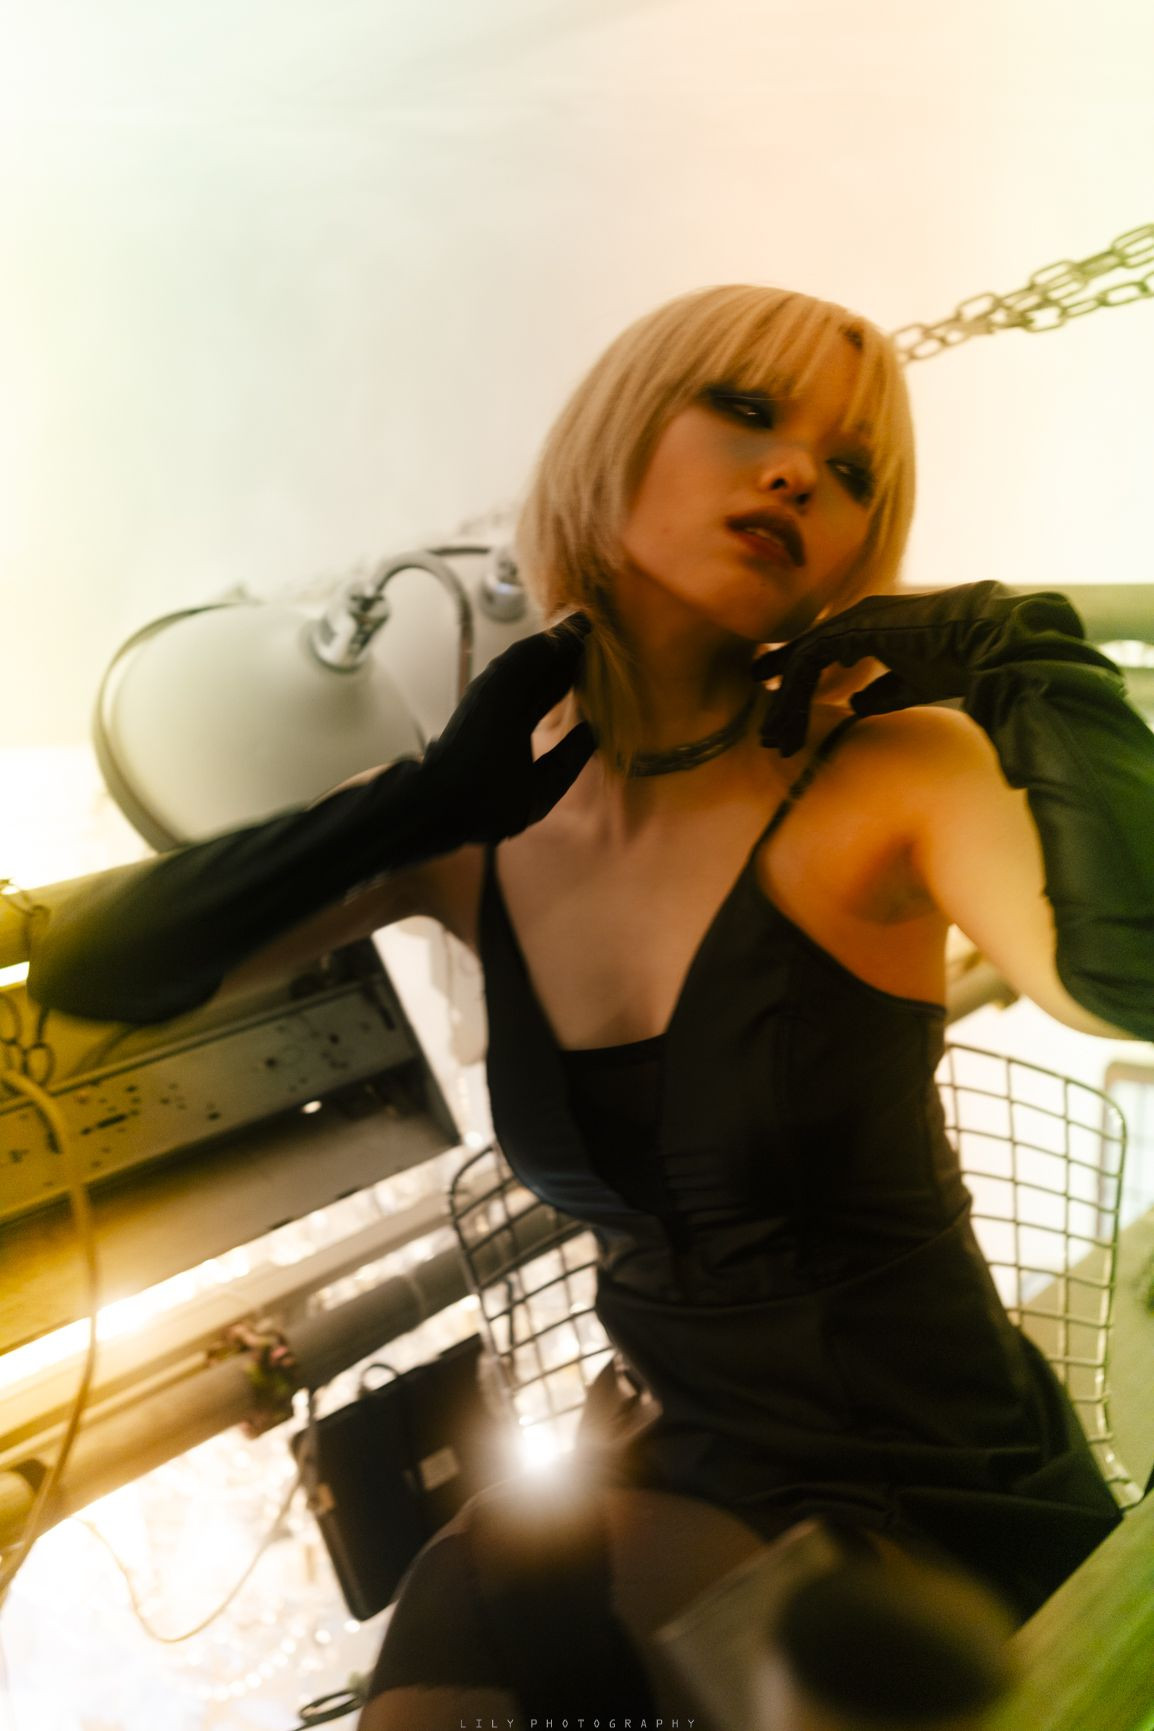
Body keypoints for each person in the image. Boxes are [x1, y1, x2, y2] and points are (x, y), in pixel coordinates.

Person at [25, 285, 1154, 1724]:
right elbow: (99, 975)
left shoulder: (894, 773)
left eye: (851, 469)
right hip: (690, 1464)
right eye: (746, 410)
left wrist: (1029, 654)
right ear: (615, 438)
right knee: (465, 1602)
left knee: (795, 1668)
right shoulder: (471, 826)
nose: (796, 473)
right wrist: (420, 801)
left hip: (933, 1481)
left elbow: (1129, 981)